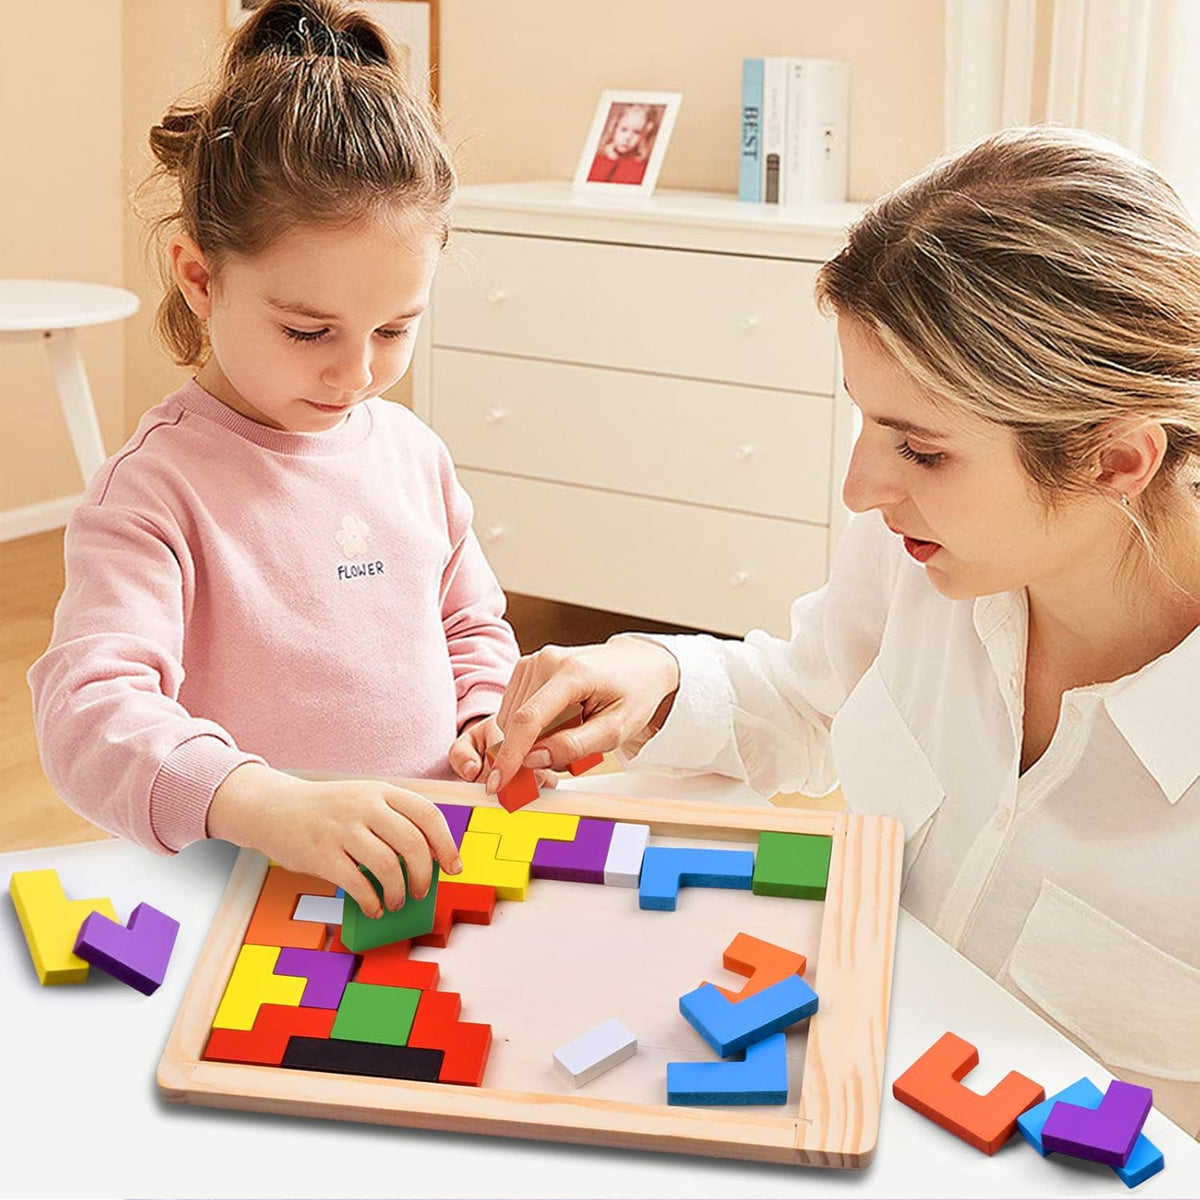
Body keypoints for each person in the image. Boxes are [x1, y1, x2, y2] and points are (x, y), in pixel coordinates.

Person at [488, 126, 1200, 1136]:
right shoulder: (930, 552)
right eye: (866, 421)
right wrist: (654, 670)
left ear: (1115, 461)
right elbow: (812, 694)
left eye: (921, 449)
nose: (863, 490)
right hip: (853, 1109)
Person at [28, 0, 531, 921]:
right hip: (241, 899)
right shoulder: (151, 491)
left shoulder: (414, 455)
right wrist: (263, 804)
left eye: (394, 328)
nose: (356, 371)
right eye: (308, 330)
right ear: (199, 275)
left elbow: (470, 629)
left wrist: (484, 717)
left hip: (416, 886)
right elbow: (89, 712)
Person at [587, 104, 657, 185]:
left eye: (636, 132)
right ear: (614, 129)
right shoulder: (599, 159)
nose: (628, 137)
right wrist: (610, 160)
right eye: (624, 130)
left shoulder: (641, 167)